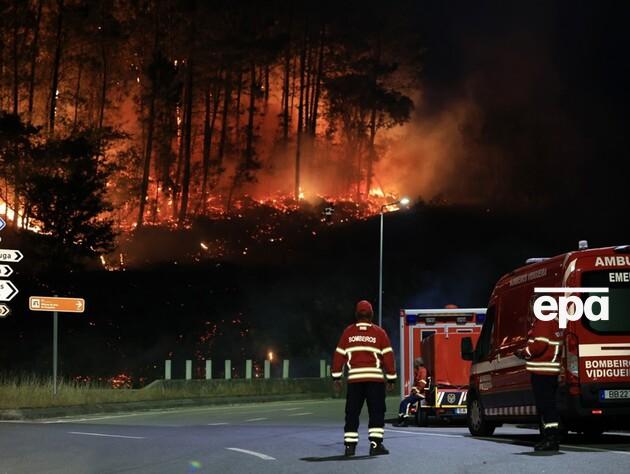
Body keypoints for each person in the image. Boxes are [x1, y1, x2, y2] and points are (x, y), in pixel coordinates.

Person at [332, 300, 397, 457]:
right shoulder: (379, 333)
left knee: (352, 413)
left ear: (356, 314)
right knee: (376, 412)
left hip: (355, 381)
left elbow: (339, 355)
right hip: (375, 380)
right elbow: (388, 357)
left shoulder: (348, 332)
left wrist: (336, 378)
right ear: (371, 314)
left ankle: (350, 447)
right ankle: (375, 445)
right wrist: (392, 378)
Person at [516, 315, 562, 452]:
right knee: (549, 407)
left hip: (542, 372)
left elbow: (540, 345)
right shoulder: (554, 321)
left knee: (545, 407)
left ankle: (550, 439)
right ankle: (551, 438)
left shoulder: (543, 322)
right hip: (550, 371)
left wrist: (524, 352)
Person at [394, 357, 427, 427]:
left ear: (418, 363)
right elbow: (416, 383)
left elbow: (422, 383)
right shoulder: (418, 371)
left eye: (415, 362)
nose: (414, 364)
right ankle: (400, 419)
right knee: (402, 403)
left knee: (406, 403)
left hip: (421, 394)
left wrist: (416, 391)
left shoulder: (423, 371)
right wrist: (413, 391)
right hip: (416, 393)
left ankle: (405, 421)